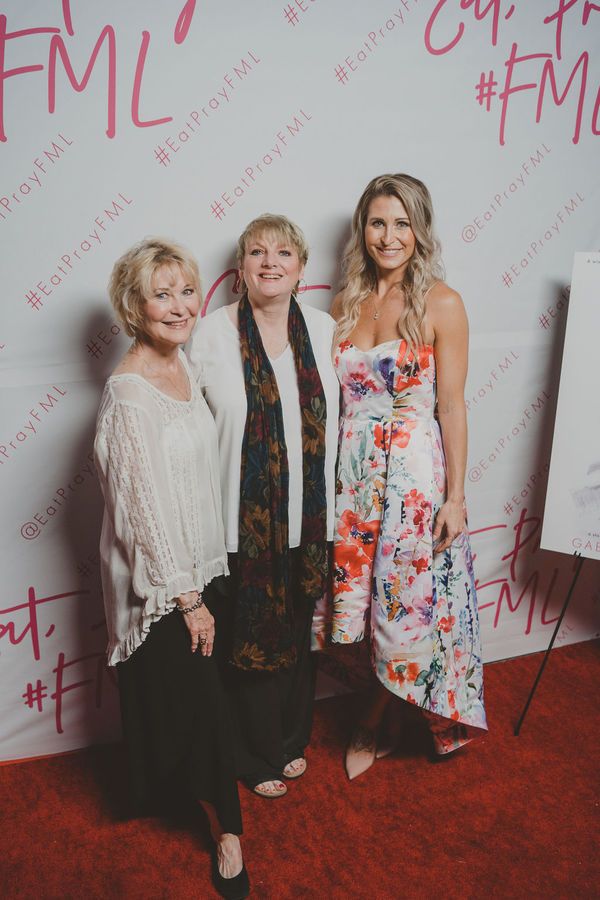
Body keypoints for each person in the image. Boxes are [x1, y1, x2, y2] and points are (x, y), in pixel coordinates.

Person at [94, 238, 249, 899]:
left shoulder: (187, 365)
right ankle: (230, 834)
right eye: (163, 293)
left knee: (199, 697)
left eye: (188, 290)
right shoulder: (128, 396)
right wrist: (189, 599)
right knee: (201, 703)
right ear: (134, 305)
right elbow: (147, 513)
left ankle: (168, 787)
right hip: (163, 584)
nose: (181, 305)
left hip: (205, 566)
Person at [327, 174, 488, 779]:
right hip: (354, 476)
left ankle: (374, 718)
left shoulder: (441, 302)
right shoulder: (346, 302)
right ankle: (384, 706)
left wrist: (456, 496)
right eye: (377, 222)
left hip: (413, 479)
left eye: (401, 223)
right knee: (366, 601)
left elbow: (451, 405)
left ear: (419, 230)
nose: (388, 236)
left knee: (407, 605)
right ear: (361, 229)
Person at [187, 214, 339, 798]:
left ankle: (290, 740)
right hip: (236, 525)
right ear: (241, 268)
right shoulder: (210, 334)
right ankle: (253, 756)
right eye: (257, 252)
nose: (269, 262)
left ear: (302, 267)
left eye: (283, 252)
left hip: (306, 518)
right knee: (243, 642)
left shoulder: (324, 331)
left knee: (298, 632)